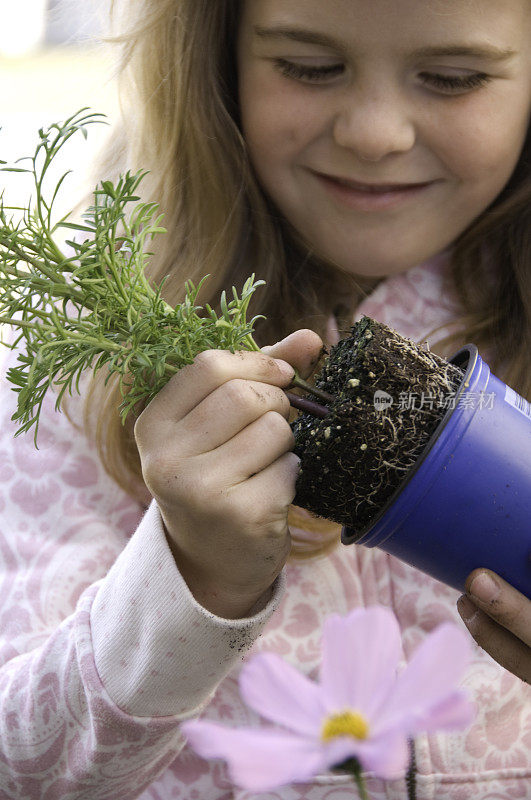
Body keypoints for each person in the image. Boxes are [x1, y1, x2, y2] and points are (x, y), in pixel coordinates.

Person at [0, 0, 530, 798]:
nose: (374, 132)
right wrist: (190, 580)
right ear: (216, 59)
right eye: (308, 67)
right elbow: (26, 769)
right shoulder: (91, 359)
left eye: (452, 79)